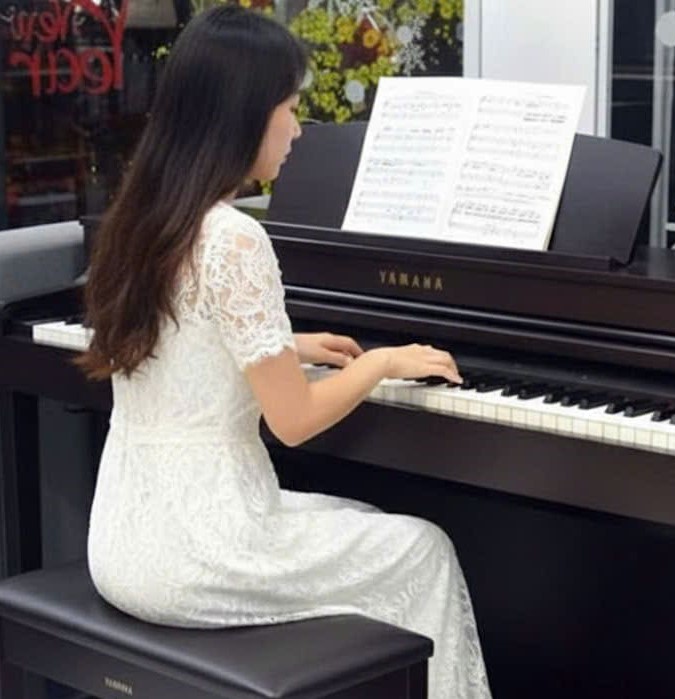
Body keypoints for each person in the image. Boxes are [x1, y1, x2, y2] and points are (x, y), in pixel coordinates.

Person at [78, 6, 491, 698]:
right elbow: (293, 422)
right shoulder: (235, 237)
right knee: (425, 550)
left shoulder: (143, 216)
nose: (299, 129)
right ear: (244, 113)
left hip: (122, 541)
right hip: (202, 551)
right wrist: (380, 363)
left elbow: (185, 332)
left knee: (363, 524)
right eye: (291, 108)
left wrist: (281, 345)